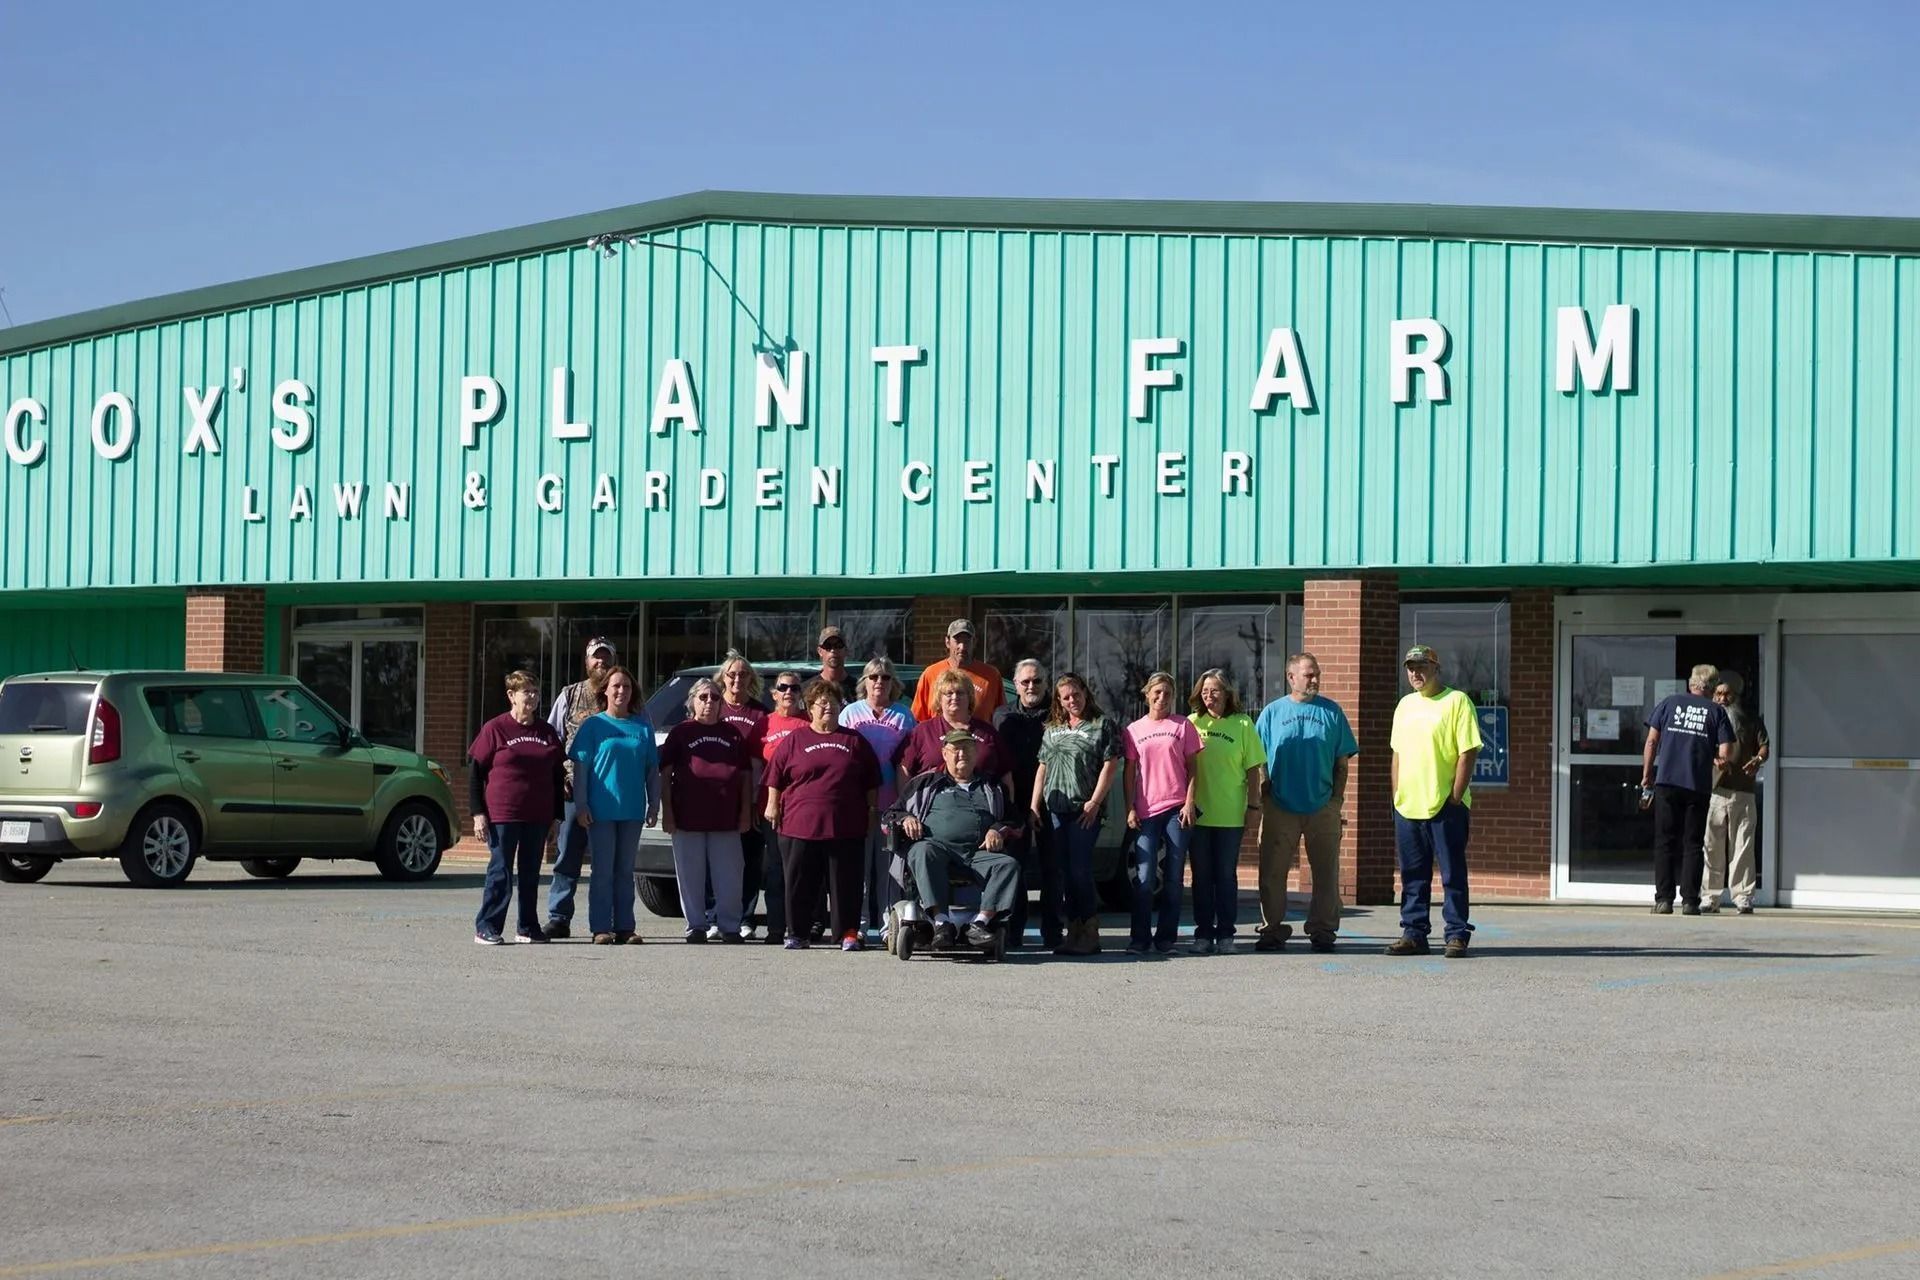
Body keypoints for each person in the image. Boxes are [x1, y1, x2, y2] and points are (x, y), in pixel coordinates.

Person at [763, 678, 880, 951]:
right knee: (799, 882)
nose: (829, 707)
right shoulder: (795, 740)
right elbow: (775, 777)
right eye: (822, 703)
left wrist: (872, 811)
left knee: (846, 883)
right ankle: (797, 933)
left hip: (845, 825)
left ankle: (847, 933)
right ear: (810, 708)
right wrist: (772, 805)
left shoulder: (854, 741)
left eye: (834, 702)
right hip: (799, 825)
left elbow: (871, 781)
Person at [1253, 653, 1358, 954]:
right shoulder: (1272, 713)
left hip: (1322, 806)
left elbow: (1342, 763)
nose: (1314, 679)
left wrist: (1336, 800)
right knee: (1272, 872)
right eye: (1308, 675)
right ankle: (1272, 930)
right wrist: (1265, 795)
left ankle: (1323, 931)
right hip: (1280, 806)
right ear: (1291, 677)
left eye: (1317, 674)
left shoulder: (1332, 712)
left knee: (1326, 874)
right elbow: (1258, 760)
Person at [1387, 645, 1482, 958]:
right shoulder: (1404, 705)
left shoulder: (1456, 702)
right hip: (1408, 805)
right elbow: (1397, 754)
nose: (1416, 673)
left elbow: (1468, 751)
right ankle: (1414, 932)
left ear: (1436, 668)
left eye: (1422, 666)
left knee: (1452, 872)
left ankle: (1456, 933)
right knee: (1412, 873)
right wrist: (1397, 794)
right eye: (1411, 667)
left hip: (1444, 805)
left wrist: (1455, 796)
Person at [895, 729, 1023, 948]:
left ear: (976, 754)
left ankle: (978, 925)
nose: (961, 754)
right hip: (937, 849)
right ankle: (941, 923)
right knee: (921, 851)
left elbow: (1016, 821)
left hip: (978, 853)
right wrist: (906, 818)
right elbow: (893, 813)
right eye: (955, 750)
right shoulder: (925, 784)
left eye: (967, 749)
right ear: (944, 754)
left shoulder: (992, 786)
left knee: (1008, 864)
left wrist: (997, 829)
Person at [469, 669, 566, 945]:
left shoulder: (546, 732)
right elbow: (475, 773)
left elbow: (557, 777)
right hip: (503, 814)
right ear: (511, 695)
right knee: (500, 871)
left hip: (538, 815)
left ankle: (527, 926)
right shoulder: (495, 729)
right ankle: (487, 926)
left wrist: (556, 818)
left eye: (536, 692)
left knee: (530, 872)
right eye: (527, 692)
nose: (533, 697)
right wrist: (478, 814)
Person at [569, 666, 660, 944]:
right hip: (600, 812)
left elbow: (651, 770)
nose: (621, 691)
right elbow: (581, 769)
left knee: (625, 870)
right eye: (616, 686)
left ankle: (625, 927)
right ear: (605, 690)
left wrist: (654, 804)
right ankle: (600, 927)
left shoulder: (642, 726)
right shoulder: (593, 726)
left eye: (627, 687)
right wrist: (581, 804)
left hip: (631, 811)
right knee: (603, 871)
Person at [1031, 672, 1121, 956]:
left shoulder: (1101, 724)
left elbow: (1110, 765)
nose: (1072, 701)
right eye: (1066, 697)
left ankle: (1090, 932)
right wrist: (1034, 804)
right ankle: (1073, 931)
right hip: (1056, 809)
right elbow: (1042, 766)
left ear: (1085, 691)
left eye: (1076, 694)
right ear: (1059, 700)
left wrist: (1095, 802)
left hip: (1085, 809)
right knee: (1064, 872)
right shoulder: (1053, 727)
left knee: (1081, 869)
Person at [660, 678, 753, 943]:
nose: (709, 702)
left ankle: (730, 926)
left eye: (714, 697)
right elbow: (665, 775)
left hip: (726, 818)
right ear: (691, 702)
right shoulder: (680, 732)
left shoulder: (732, 733)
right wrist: (668, 812)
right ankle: (696, 926)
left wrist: (746, 811)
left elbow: (745, 776)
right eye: (703, 697)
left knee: (731, 876)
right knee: (690, 876)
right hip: (687, 817)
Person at [1641, 663, 1735, 916]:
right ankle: (1690, 901)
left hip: (1667, 781)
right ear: (1713, 687)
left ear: (1691, 683)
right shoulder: (1716, 712)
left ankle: (1663, 900)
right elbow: (1725, 752)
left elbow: (1651, 741)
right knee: (1693, 843)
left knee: (1665, 841)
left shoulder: (1669, 703)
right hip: (1697, 785)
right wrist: (1716, 760)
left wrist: (1647, 774)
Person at [1122, 672, 1203, 956]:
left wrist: (1189, 802)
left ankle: (1166, 938)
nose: (1162, 697)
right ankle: (1139, 939)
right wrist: (1129, 807)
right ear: (1147, 695)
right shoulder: (1133, 730)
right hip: (1146, 811)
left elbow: (1193, 768)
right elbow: (1130, 772)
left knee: (1173, 877)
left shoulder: (1183, 726)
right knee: (1143, 878)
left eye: (1167, 693)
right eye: (1156, 692)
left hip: (1176, 809)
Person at [1185, 669, 1264, 954]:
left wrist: (1254, 806)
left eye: (1215, 690)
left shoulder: (1242, 724)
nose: (1209, 696)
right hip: (1199, 814)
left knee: (1226, 875)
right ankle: (1203, 934)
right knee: (1201, 876)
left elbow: (1254, 769)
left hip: (1231, 814)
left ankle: (1227, 934)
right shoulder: (1192, 723)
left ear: (1228, 693)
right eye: (1204, 691)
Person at [542, 636, 615, 939]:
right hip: (574, 790)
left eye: (606, 657)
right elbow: (552, 742)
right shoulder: (569, 696)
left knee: (607, 861)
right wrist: (557, 783)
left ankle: (606, 922)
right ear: (586, 662)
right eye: (596, 657)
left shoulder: (623, 694)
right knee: (567, 855)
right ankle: (559, 917)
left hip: (612, 794)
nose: (601, 662)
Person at [839, 657, 915, 942]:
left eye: (884, 677)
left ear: (893, 683)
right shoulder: (849, 713)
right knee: (859, 870)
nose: (878, 682)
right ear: (864, 682)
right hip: (857, 804)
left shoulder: (904, 715)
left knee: (889, 872)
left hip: (892, 803)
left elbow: (911, 760)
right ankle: (857, 925)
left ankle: (888, 926)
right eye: (873, 677)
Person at [995, 658, 1053, 951]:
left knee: (1053, 868)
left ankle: (1053, 933)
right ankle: (1013, 931)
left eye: (1037, 681)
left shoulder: (1059, 714)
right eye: (1026, 681)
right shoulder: (1002, 716)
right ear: (1015, 685)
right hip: (1014, 802)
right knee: (1013, 866)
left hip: (1053, 801)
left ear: (1046, 683)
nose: (1032, 686)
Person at [1703, 672, 1769, 914]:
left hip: (1744, 790)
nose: (1721, 698)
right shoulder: (1709, 718)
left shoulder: (1750, 718)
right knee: (1712, 845)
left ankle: (1742, 896)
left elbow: (1764, 745)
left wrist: (1758, 758)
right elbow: (1700, 747)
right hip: (1716, 790)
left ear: (1736, 695)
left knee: (1743, 846)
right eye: (1718, 693)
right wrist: (1712, 759)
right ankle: (1710, 896)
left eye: (1726, 693)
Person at [754, 670, 812, 943]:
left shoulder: (808, 724)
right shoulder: (764, 725)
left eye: (795, 688)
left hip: (802, 810)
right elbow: (753, 768)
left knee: (802, 869)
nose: (789, 692)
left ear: (802, 694)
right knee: (776, 869)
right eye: (783, 687)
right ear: (773, 693)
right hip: (771, 809)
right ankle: (776, 927)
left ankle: (801, 926)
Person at [716, 653, 770, 938]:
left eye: (743, 674)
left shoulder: (760, 713)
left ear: (751, 679)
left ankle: (746, 917)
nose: (737, 679)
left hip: (751, 797)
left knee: (749, 860)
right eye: (732, 674)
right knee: (718, 859)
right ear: (722, 678)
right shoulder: (712, 705)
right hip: (717, 799)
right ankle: (714, 916)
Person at [898, 669, 1009, 783]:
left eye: (960, 692)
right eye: (949, 693)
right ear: (939, 698)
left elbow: (1005, 775)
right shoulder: (922, 732)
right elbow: (904, 770)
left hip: (980, 798)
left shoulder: (988, 732)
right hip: (934, 799)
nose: (955, 697)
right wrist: (908, 799)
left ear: (969, 697)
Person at [909, 618, 1004, 722]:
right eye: (957, 640)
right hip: (939, 737)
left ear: (975, 642)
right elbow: (917, 720)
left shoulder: (991, 676)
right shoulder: (931, 674)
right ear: (947, 642)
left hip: (979, 737)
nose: (962, 647)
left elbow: (1002, 718)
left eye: (967, 641)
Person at [814, 625, 857, 701]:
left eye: (838, 646)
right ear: (820, 651)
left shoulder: (858, 688)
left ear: (846, 650)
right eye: (828, 646)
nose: (833, 650)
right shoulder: (809, 688)